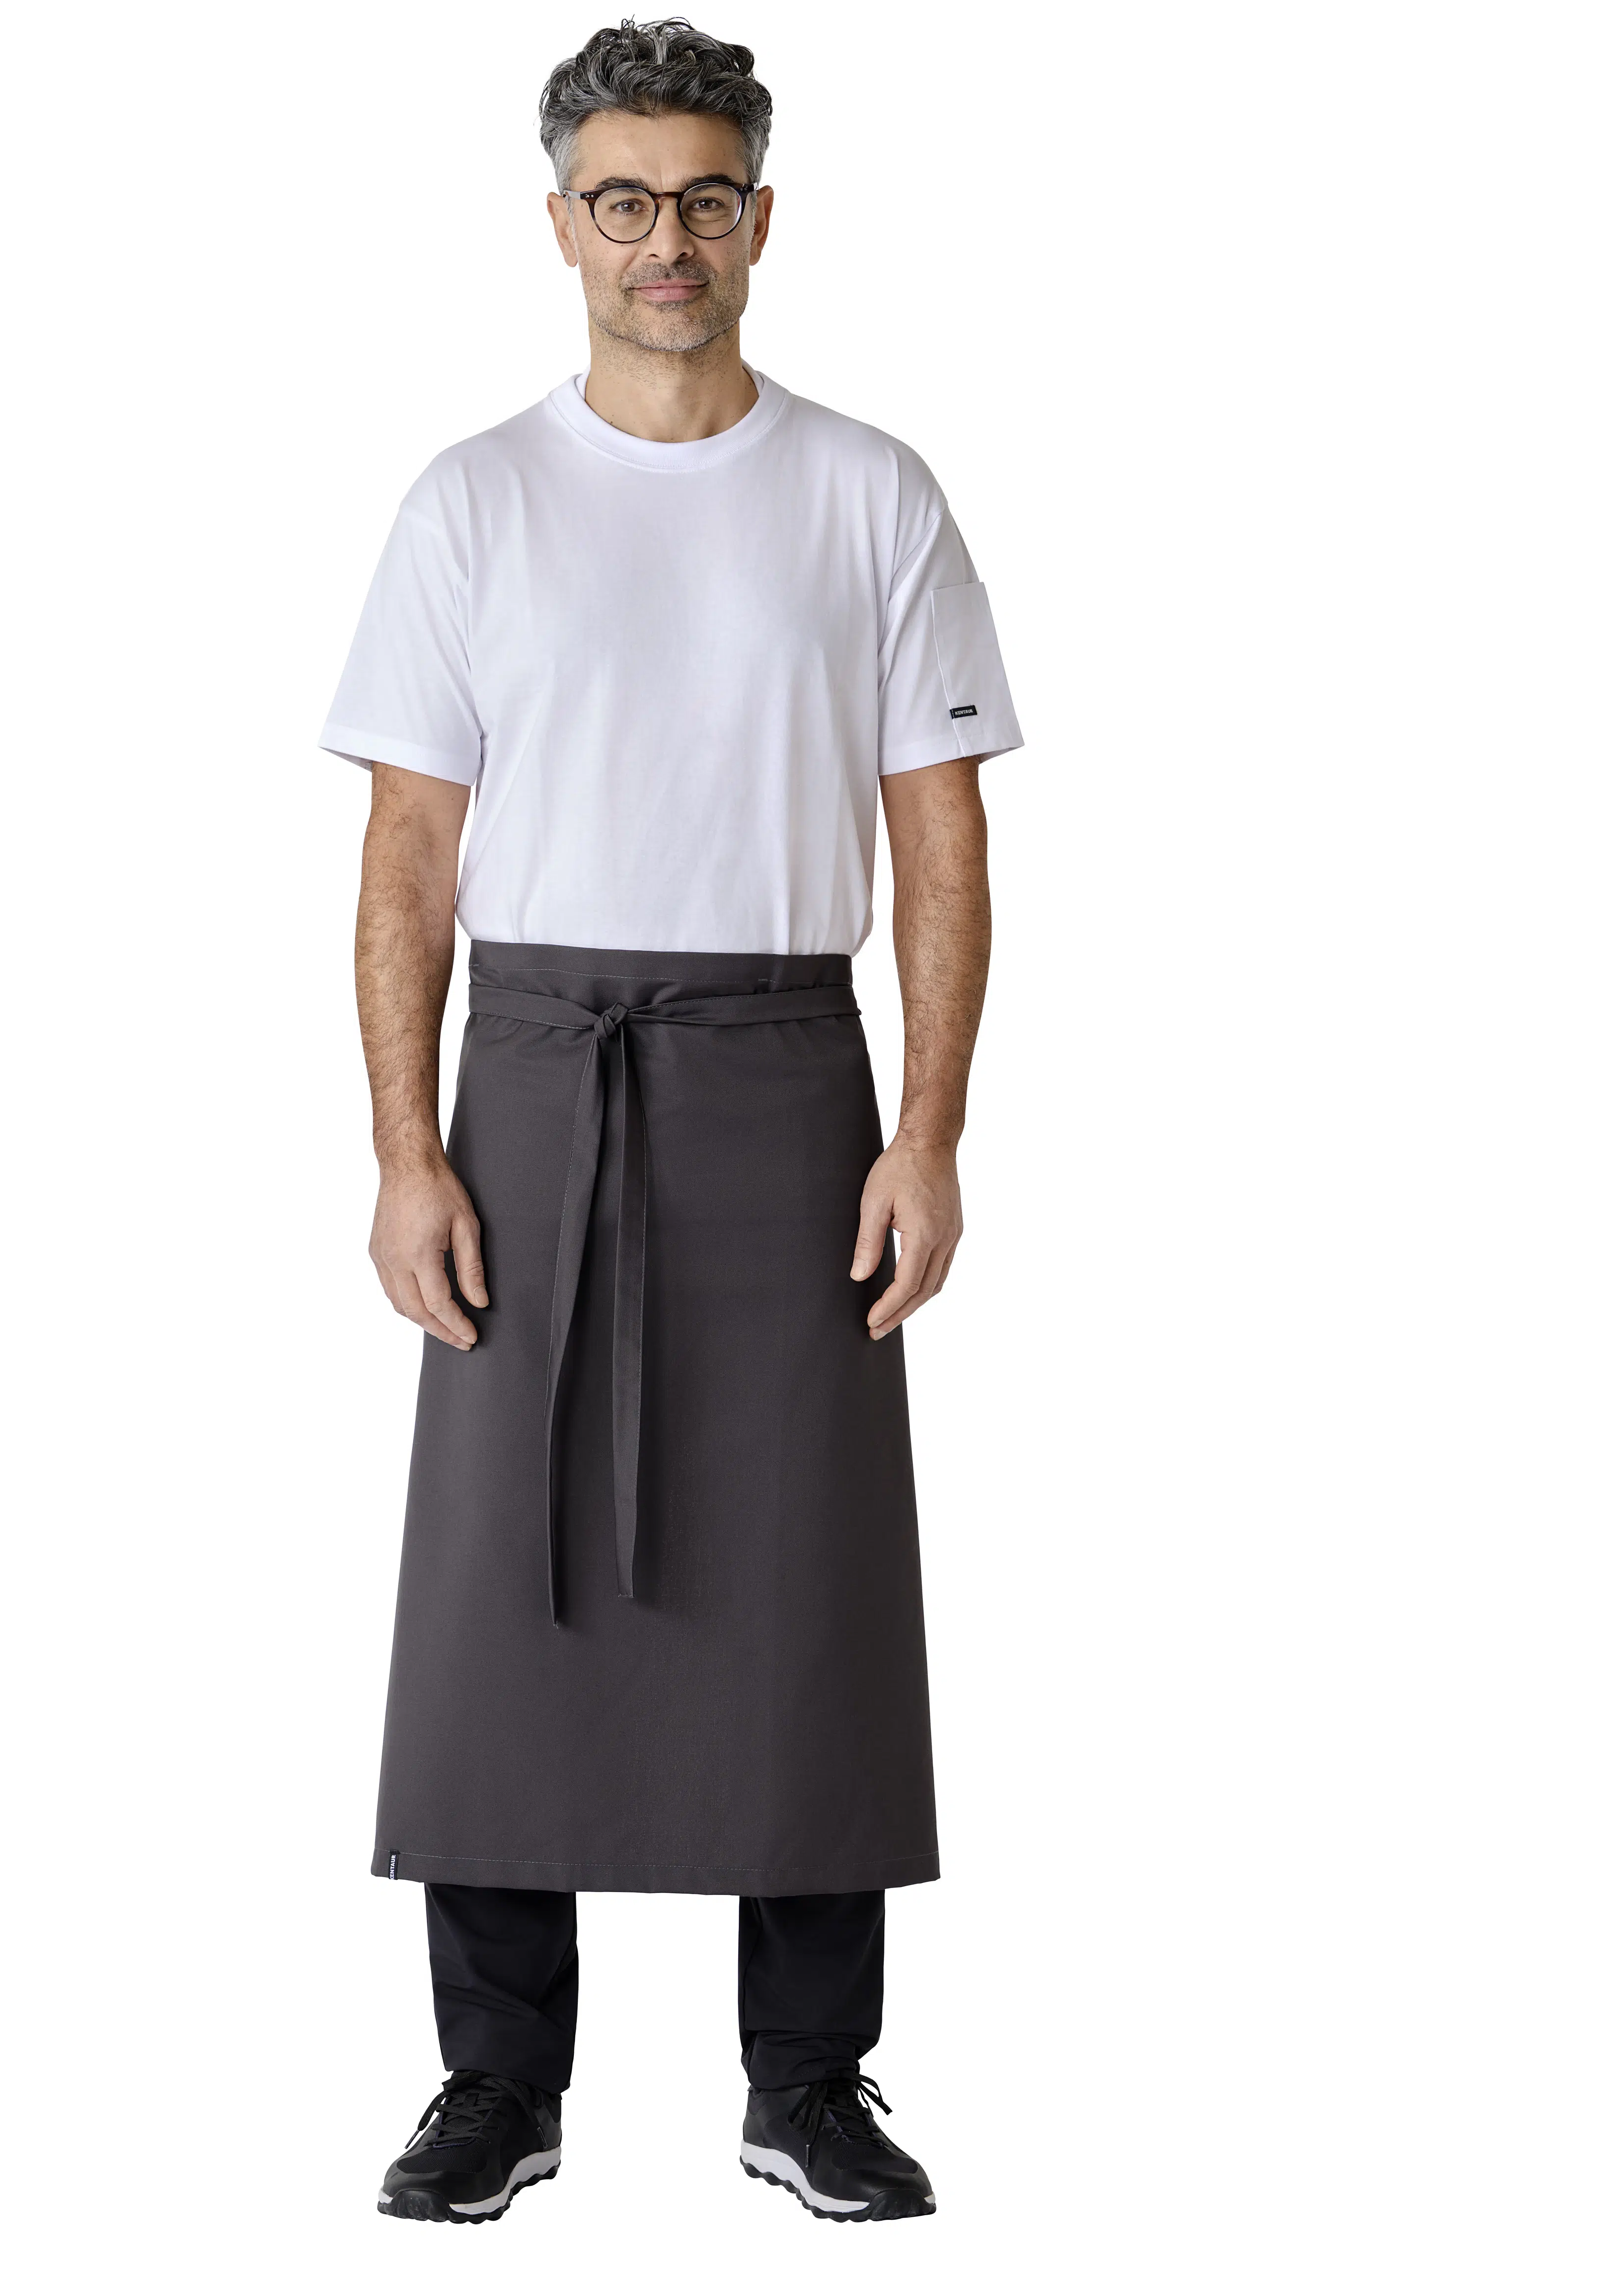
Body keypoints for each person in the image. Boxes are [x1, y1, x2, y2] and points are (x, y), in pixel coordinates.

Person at [320, 16, 1021, 2228]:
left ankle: (808, 2083)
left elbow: (939, 841)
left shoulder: (873, 490)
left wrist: (930, 1130)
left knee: (812, 1589)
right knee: (495, 1585)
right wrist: (405, 1148)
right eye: (623, 199)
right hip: (536, 1077)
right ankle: (495, 2083)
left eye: (705, 196)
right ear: (561, 226)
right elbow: (409, 857)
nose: (666, 239)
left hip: (787, 1079)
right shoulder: (471, 499)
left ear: (763, 218)